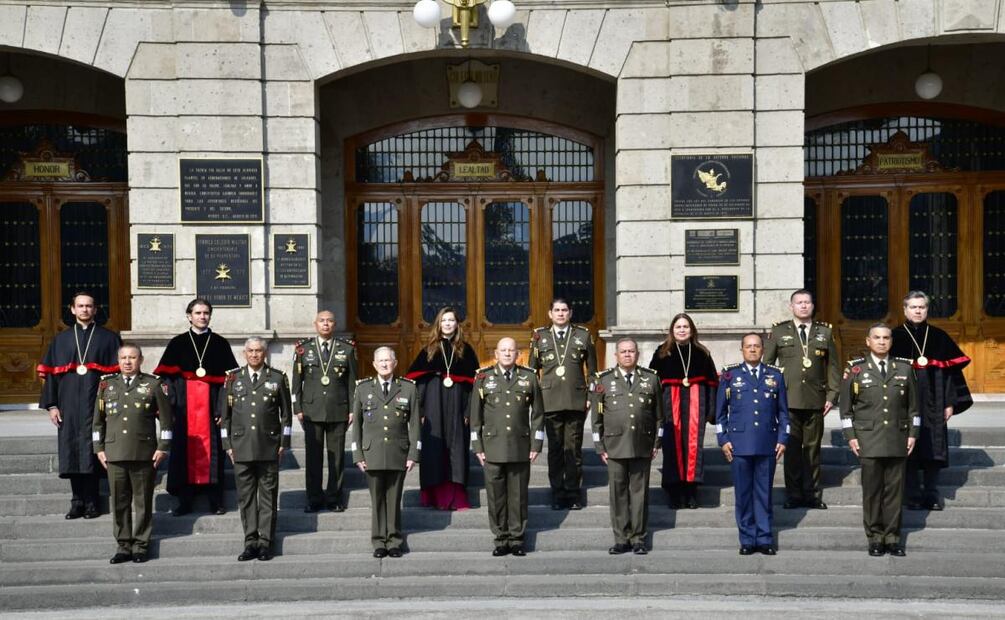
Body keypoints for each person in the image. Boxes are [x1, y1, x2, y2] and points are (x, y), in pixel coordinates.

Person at [37, 291, 121, 519]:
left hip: (98, 405)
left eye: (89, 306)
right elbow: (52, 376)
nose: (85, 310)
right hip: (69, 407)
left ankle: (93, 502)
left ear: (95, 310)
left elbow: (118, 377)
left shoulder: (109, 338)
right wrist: (52, 405)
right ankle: (76, 501)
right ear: (72, 309)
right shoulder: (61, 340)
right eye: (80, 306)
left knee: (94, 451)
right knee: (72, 451)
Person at [840, 323, 919, 557]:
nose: (882, 341)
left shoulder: (904, 369)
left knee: (895, 492)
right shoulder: (856, 370)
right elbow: (846, 411)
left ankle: (893, 537)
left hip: (897, 438)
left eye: (886, 338)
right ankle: (875, 536)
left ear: (891, 342)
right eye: (877, 337)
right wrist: (851, 437)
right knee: (873, 492)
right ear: (868, 341)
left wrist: (913, 435)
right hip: (868, 440)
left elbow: (914, 409)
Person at [154, 298, 238, 516]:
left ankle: (215, 499)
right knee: (183, 453)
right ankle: (185, 499)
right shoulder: (178, 343)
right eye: (198, 313)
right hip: (184, 409)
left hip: (211, 408)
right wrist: (170, 408)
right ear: (189, 316)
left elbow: (229, 383)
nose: (202, 316)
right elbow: (165, 381)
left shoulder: (220, 343)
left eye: (206, 313)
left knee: (214, 454)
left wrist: (223, 410)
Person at [92, 343, 173, 564]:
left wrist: (162, 447)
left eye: (133, 357)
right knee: (119, 502)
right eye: (124, 358)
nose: (128, 362)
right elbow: (97, 422)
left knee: (143, 502)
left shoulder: (153, 384)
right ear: (118, 361)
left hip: (143, 453)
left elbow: (167, 421)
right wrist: (98, 449)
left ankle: (141, 545)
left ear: (141, 360)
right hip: (114, 453)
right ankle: (123, 545)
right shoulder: (106, 385)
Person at [892, 291, 973, 511]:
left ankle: (931, 493)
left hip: (934, 403)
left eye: (922, 307)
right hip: (903, 405)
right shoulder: (894, 337)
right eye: (914, 307)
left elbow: (951, 375)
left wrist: (950, 403)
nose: (918, 311)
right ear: (905, 309)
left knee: (933, 447)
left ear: (927, 309)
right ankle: (911, 494)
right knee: (907, 446)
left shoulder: (939, 337)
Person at [763, 290, 839, 510]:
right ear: (791, 306)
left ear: (813, 306)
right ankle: (794, 494)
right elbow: (768, 365)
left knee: (813, 450)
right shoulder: (779, 331)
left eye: (807, 302)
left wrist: (832, 396)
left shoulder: (824, 332)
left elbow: (833, 366)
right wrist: (771, 398)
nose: (803, 306)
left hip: (816, 400)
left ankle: (812, 494)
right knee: (792, 449)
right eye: (799, 303)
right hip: (788, 399)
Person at [715, 333, 789, 556]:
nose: (753, 350)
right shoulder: (730, 375)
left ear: (763, 350)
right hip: (739, 445)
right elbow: (720, 415)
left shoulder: (775, 376)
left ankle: (765, 538)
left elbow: (784, 413)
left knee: (764, 494)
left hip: (767, 443)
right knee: (744, 494)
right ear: (742, 350)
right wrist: (723, 439)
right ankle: (747, 539)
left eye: (757, 346)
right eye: (749, 346)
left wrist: (783, 439)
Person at [219, 338, 292, 562]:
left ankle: (265, 543)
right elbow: (225, 417)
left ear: (265, 353)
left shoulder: (278, 378)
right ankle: (250, 541)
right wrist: (227, 445)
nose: (254, 355)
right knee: (246, 497)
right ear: (244, 353)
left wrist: (283, 443)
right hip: (240, 447)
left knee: (268, 497)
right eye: (250, 351)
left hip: (268, 446)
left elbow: (286, 415)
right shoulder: (233, 378)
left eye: (258, 351)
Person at [470, 337, 545, 556]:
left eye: (511, 350)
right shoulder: (483, 378)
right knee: (496, 496)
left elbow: (538, 414)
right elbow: (475, 417)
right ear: (496, 354)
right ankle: (500, 538)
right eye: (503, 350)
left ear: (517, 354)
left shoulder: (529, 377)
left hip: (520, 446)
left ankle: (517, 538)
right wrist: (477, 446)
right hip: (492, 446)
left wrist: (536, 444)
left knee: (518, 495)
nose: (507, 354)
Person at [590, 338, 664, 555]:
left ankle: (639, 538)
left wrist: (656, 443)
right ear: (616, 355)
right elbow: (596, 419)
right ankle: (621, 538)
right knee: (618, 493)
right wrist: (599, 446)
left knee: (640, 494)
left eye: (631, 351)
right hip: (614, 446)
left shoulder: (650, 379)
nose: (627, 355)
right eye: (623, 352)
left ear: (637, 354)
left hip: (642, 443)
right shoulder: (603, 380)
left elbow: (660, 416)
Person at [405, 307, 479, 510]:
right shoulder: (428, 350)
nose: (447, 324)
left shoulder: (466, 350)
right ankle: (434, 496)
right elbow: (415, 384)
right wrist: (419, 412)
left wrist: (468, 412)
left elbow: (474, 387)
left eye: (451, 320)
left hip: (457, 407)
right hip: (432, 408)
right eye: (444, 320)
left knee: (456, 450)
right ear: (438, 324)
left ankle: (456, 497)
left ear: (457, 324)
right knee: (434, 450)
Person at [352, 347, 420, 558]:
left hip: (397, 453)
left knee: (394, 498)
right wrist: (357, 455)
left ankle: (394, 541)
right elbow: (356, 426)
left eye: (388, 361)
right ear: (374, 365)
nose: (384, 364)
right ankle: (379, 541)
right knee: (377, 499)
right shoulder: (363, 389)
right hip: (371, 453)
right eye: (380, 361)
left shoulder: (408, 388)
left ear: (395, 363)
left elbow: (415, 424)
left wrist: (413, 455)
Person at [529, 298, 597, 510]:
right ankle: (558, 493)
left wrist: (590, 397)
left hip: (576, 400)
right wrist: (534, 400)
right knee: (556, 449)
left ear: (570, 312)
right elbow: (532, 372)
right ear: (550, 314)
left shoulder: (583, 335)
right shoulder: (539, 336)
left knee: (573, 449)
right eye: (556, 310)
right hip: (549, 402)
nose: (560, 314)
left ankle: (573, 493)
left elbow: (593, 371)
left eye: (564, 310)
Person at [648, 313, 717, 509]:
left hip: (696, 405)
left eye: (686, 326)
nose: (682, 330)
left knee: (694, 448)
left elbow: (712, 383)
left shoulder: (702, 353)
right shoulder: (662, 352)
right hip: (671, 407)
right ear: (672, 330)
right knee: (672, 448)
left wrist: (711, 411)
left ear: (692, 330)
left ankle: (691, 491)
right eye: (678, 327)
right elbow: (652, 385)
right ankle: (674, 492)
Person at [291, 310, 357, 512]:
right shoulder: (303, 349)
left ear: (335, 325)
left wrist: (353, 409)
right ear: (315, 324)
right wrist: (297, 407)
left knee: (336, 457)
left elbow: (352, 382)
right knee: (313, 458)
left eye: (329, 321)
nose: (326, 324)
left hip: (338, 409)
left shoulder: (346, 349)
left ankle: (334, 498)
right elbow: (296, 382)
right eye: (322, 321)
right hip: (311, 410)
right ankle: (314, 498)